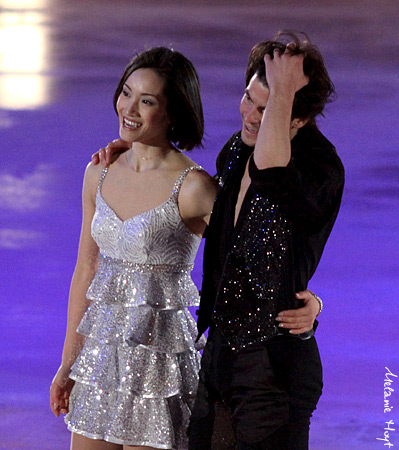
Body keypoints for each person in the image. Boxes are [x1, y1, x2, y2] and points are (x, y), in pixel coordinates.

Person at [91, 31, 339, 449]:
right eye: (249, 98)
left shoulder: (320, 169)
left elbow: (272, 173)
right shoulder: (235, 152)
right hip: (220, 357)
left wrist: (318, 305)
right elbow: (230, 239)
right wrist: (141, 150)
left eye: (268, 108)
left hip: (273, 369)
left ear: (298, 118)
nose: (250, 115)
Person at [49, 47, 218, 450]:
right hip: (103, 361)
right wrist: (69, 361)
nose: (130, 108)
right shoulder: (99, 171)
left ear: (173, 112)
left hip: (159, 369)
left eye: (148, 101)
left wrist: (310, 301)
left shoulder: (194, 187)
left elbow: (249, 258)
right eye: (127, 93)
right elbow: (86, 271)